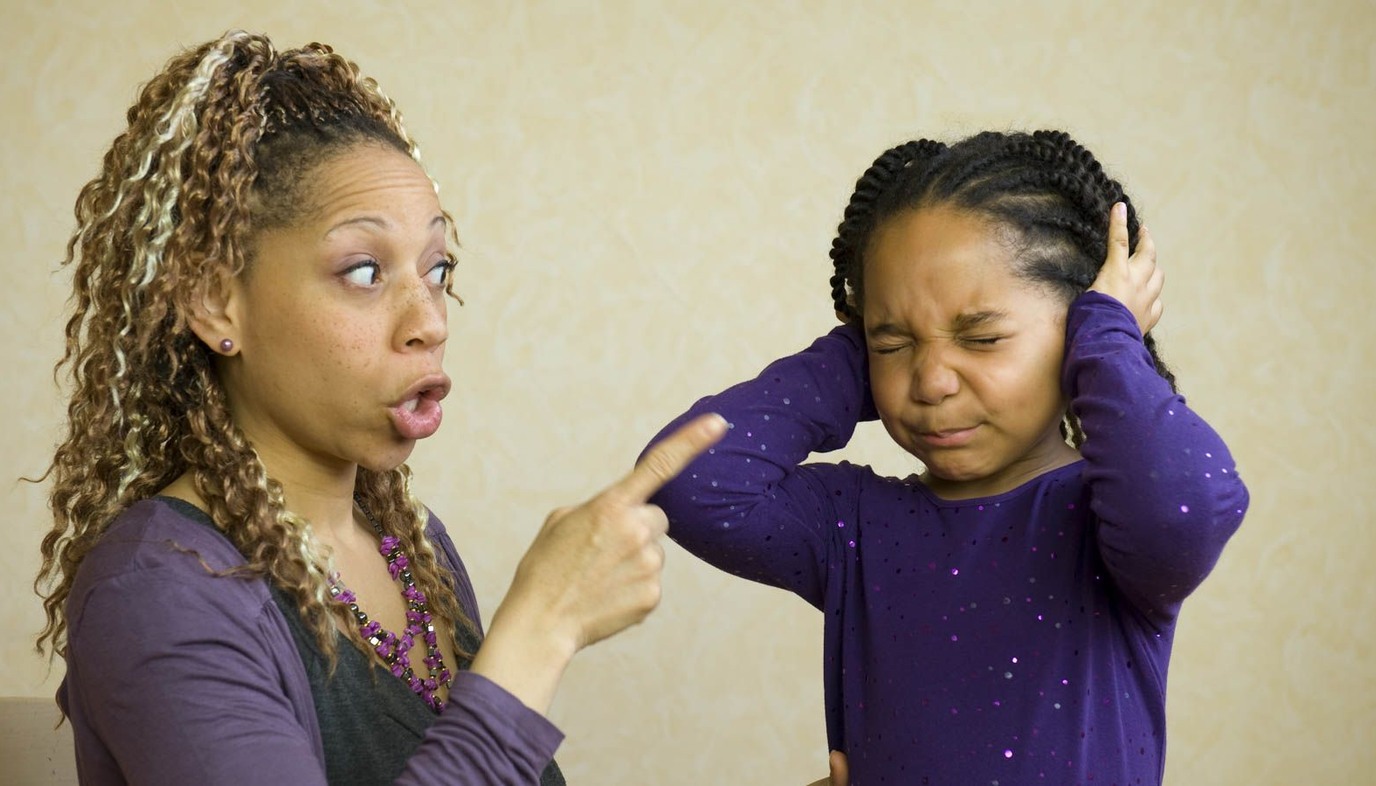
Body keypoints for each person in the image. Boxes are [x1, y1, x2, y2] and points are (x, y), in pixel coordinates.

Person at [33, 30, 725, 785]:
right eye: (364, 270)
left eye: (438, 268)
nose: (429, 318)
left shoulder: (414, 546)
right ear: (214, 301)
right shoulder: (157, 591)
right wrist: (543, 627)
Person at [645, 130, 1249, 784]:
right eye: (892, 343)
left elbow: (1188, 501)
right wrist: (854, 363)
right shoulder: (853, 526)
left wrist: (1108, 338)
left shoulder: (1110, 521)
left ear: (1076, 337)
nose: (931, 380)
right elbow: (685, 478)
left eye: (982, 337)